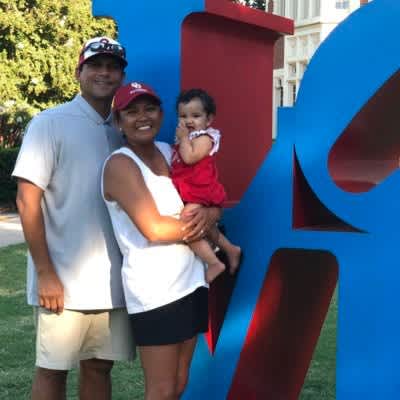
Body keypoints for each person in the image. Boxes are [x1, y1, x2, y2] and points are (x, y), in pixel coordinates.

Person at [12, 36, 135, 400]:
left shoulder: (124, 130)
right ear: (79, 72)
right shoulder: (49, 123)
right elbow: (27, 201)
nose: (104, 73)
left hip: (113, 281)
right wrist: (46, 274)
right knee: (52, 371)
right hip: (62, 281)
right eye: (95, 65)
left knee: (100, 367)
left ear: (122, 76)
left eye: (112, 67)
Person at [103, 81, 220, 400]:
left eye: (150, 108)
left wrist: (211, 213)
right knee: (161, 389)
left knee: (180, 384)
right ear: (118, 122)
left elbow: (206, 195)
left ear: (162, 114)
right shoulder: (120, 164)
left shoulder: (172, 152)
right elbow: (154, 228)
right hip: (156, 292)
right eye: (132, 112)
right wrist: (207, 223)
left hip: (193, 282)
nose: (143, 117)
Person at [171, 88, 241, 283]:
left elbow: (190, 157)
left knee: (188, 222)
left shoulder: (205, 138)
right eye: (183, 116)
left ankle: (214, 263)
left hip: (200, 190)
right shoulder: (187, 138)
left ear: (208, 119)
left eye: (196, 116)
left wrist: (183, 139)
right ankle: (231, 249)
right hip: (190, 190)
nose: (188, 121)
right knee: (206, 227)